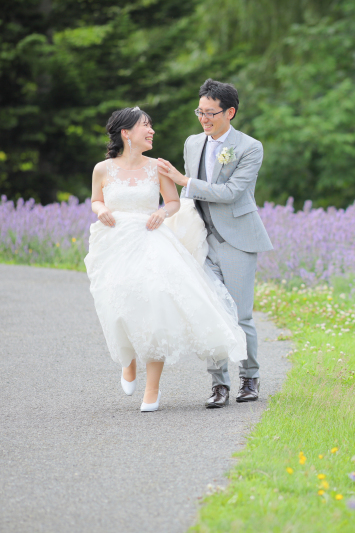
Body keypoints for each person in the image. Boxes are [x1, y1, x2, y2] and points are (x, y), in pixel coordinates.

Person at [85, 107, 247, 412]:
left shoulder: (157, 167)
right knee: (119, 305)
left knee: (154, 305)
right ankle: (128, 361)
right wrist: (100, 210)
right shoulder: (102, 169)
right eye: (146, 126)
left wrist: (161, 212)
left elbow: (173, 202)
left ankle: (153, 389)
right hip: (115, 243)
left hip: (150, 241)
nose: (152, 131)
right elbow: (96, 198)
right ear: (126, 133)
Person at [157, 79, 273, 408]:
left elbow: (232, 192)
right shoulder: (193, 143)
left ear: (230, 112)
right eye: (200, 112)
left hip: (237, 240)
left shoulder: (251, 147)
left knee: (241, 316)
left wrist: (186, 181)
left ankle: (249, 377)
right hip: (201, 240)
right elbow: (184, 195)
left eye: (211, 113)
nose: (204, 119)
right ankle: (219, 384)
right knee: (211, 310)